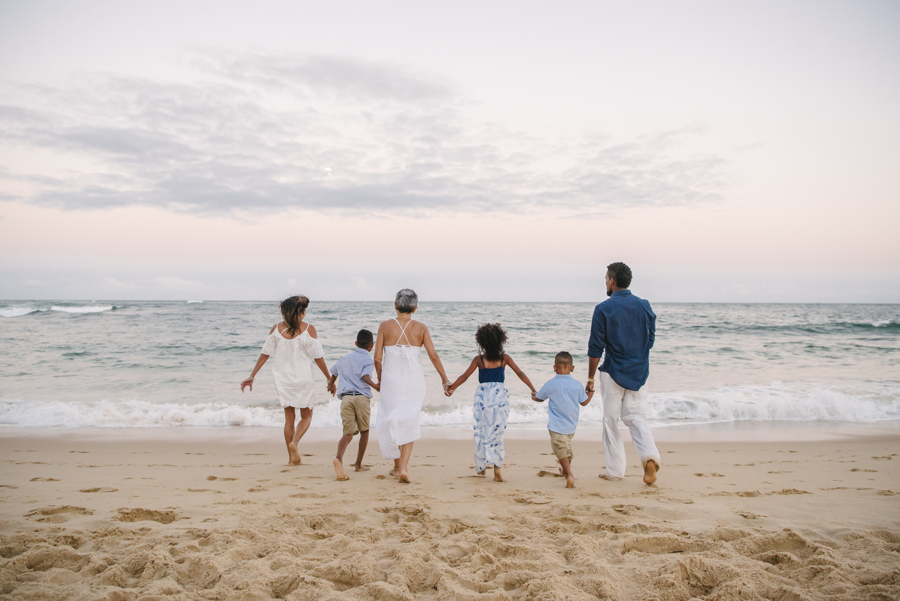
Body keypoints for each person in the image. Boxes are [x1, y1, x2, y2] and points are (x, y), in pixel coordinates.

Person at [586, 262, 661, 485]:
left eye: (606, 279)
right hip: (639, 372)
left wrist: (590, 378)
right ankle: (649, 458)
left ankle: (615, 471)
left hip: (613, 371)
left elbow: (595, 348)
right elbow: (650, 339)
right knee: (636, 418)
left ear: (612, 280)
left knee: (610, 421)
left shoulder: (603, 309)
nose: (605, 282)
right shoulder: (644, 305)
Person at [241, 295, 333, 466]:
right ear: (302, 313)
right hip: (304, 379)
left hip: (283, 380)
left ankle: (291, 459)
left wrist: (252, 376)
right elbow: (318, 357)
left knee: (289, 418)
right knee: (306, 416)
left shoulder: (276, 329)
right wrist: (329, 378)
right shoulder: (309, 329)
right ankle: (294, 443)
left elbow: (265, 354)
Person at [373, 289, 452, 483]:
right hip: (414, 381)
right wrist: (444, 379)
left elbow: (377, 358)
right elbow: (433, 355)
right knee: (409, 420)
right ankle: (403, 468)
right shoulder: (421, 328)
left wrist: (380, 379)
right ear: (415, 308)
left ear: (395, 305)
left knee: (391, 417)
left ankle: (397, 466)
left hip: (391, 380)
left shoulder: (384, 326)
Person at [446, 323, 537, 482]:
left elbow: (464, 376)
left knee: (482, 432)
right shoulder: (505, 358)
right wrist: (533, 389)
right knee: (497, 434)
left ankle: (481, 467)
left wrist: (452, 388)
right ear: (501, 340)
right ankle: (497, 469)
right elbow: (520, 373)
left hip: (483, 399)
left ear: (481, 342)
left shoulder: (479, 360)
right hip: (500, 398)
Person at [531, 351, 592, 488]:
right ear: (572, 368)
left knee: (560, 449)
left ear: (554, 367)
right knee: (566, 447)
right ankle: (565, 471)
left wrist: (534, 396)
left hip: (556, 425)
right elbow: (584, 402)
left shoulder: (550, 384)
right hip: (571, 425)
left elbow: (539, 398)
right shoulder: (577, 385)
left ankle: (569, 474)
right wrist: (591, 394)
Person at [327, 329, 380, 481]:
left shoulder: (345, 359)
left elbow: (334, 372)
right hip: (361, 398)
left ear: (356, 343)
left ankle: (339, 459)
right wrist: (375, 386)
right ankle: (358, 464)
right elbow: (365, 376)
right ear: (371, 345)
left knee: (348, 434)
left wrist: (331, 385)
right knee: (364, 431)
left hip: (346, 398)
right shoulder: (369, 360)